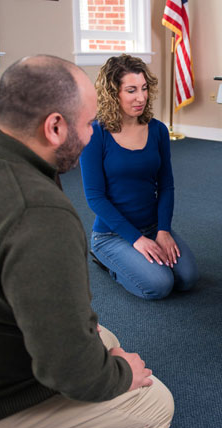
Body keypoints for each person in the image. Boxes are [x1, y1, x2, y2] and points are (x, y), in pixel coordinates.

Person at [0, 55, 174, 428]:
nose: (91, 135)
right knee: (156, 402)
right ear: (55, 127)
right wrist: (121, 374)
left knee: (107, 338)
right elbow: (69, 371)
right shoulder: (41, 215)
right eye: (87, 124)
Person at [80, 54, 198, 300]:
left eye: (144, 88)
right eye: (131, 90)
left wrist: (163, 230)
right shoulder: (95, 133)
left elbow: (166, 185)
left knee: (187, 278)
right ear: (114, 93)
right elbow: (95, 198)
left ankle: (144, 254)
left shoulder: (157, 130)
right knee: (160, 285)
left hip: (153, 225)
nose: (141, 97)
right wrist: (137, 240)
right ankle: (109, 262)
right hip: (112, 233)